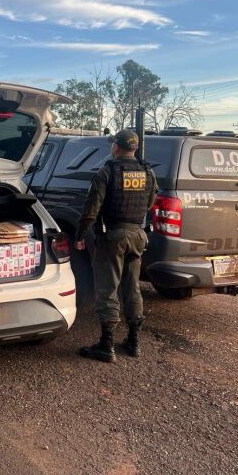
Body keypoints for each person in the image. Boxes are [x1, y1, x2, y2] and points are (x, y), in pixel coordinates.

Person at [75, 129, 158, 362]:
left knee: (107, 288)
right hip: (138, 235)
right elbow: (150, 202)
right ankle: (133, 342)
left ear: (117, 147)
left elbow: (91, 208)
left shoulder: (108, 171)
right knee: (132, 288)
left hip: (113, 237)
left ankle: (107, 345)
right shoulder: (147, 171)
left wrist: (80, 235)